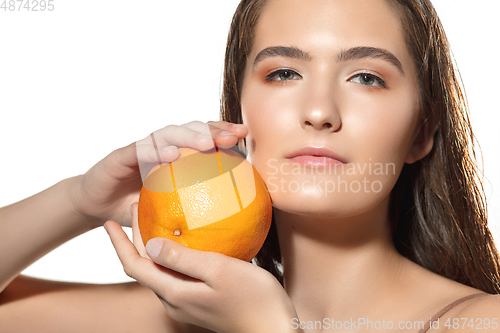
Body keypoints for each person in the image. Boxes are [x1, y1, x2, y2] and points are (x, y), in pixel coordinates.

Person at [1, 0, 499, 332]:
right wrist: (79, 201)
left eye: (366, 77)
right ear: (239, 109)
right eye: (283, 72)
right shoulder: (184, 317)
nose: (320, 112)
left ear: (422, 132)